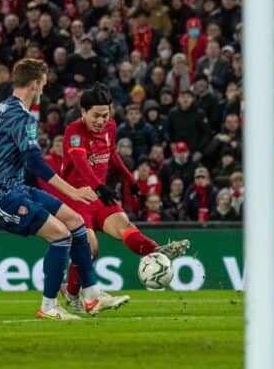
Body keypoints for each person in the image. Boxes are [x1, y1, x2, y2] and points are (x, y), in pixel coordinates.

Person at [0, 59, 127, 321]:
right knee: (61, 235)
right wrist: (72, 192)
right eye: (43, 85)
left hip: (17, 187)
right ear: (34, 84)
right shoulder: (23, 116)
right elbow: (35, 162)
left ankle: (91, 294)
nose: (43, 91)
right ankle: (49, 306)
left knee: (74, 221)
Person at [57, 82, 190, 312]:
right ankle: (75, 294)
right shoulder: (74, 131)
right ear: (83, 113)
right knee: (91, 247)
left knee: (125, 226)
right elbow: (79, 163)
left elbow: (112, 155)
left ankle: (155, 251)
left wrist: (129, 179)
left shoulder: (110, 127)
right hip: (75, 198)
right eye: (96, 116)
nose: (101, 121)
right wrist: (99, 186)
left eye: (105, 115)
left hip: (99, 198)